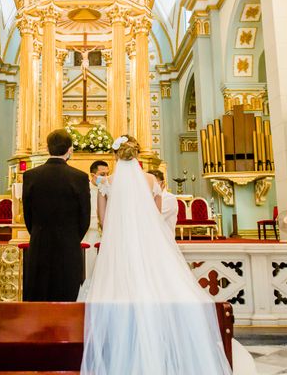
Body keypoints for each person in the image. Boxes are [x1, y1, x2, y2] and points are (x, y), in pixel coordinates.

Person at [79, 135, 232, 374]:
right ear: (138, 154)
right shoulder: (151, 180)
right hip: (149, 242)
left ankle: (124, 348)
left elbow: (103, 220)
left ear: (116, 155)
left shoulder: (106, 182)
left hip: (119, 242)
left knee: (120, 291)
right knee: (157, 285)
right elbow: (157, 215)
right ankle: (165, 344)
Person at [22, 129, 91, 301]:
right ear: (70, 149)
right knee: (66, 289)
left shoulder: (31, 175)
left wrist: (38, 231)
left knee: (39, 289)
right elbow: (85, 216)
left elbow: (27, 213)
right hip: (69, 242)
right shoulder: (79, 177)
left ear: (47, 148)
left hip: (39, 239)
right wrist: (73, 236)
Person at [84, 160, 109, 277]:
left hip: (106, 234)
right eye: (102, 175)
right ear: (93, 175)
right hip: (89, 234)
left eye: (107, 174)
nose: (106, 178)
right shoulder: (84, 190)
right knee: (90, 266)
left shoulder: (109, 189)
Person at [148, 169, 178, 239]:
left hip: (165, 239)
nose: (152, 187)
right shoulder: (149, 197)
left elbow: (154, 218)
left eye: (155, 184)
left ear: (163, 183)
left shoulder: (169, 198)